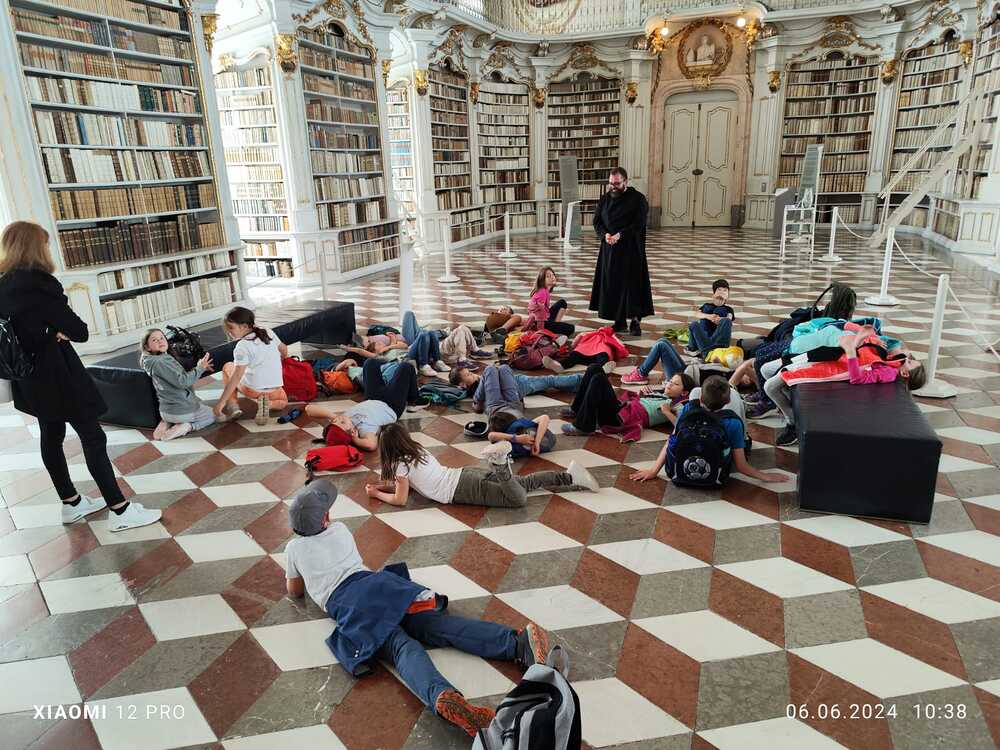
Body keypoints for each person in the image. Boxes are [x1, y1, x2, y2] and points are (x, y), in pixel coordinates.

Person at [283, 479, 554, 736]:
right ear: (326, 519)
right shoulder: (340, 530)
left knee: (402, 648)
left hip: (350, 605)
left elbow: (294, 591)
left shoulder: (294, 549)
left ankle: (442, 696)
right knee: (436, 625)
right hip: (379, 587)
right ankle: (517, 643)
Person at [0, 221, 160, 531]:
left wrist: (47, 330)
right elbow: (80, 331)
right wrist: (54, 331)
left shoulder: (2, 285)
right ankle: (120, 510)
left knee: (51, 436)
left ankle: (71, 503)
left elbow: (19, 331)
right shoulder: (41, 285)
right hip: (59, 374)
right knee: (93, 436)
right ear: (37, 248)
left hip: (27, 376)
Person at [366, 423, 599, 508]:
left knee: (517, 499)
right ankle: (570, 477)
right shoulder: (416, 451)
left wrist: (376, 494)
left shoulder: (400, 466)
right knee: (524, 484)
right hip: (464, 475)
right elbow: (405, 486)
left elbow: (400, 499)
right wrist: (384, 486)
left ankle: (500, 463)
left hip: (461, 490)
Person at [763, 325, 926, 447]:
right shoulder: (890, 360)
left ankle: (792, 421)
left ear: (905, 373)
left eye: (910, 362)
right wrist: (863, 337)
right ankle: (785, 407)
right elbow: (864, 350)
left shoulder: (888, 373)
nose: (908, 358)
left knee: (770, 387)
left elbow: (857, 378)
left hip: (825, 366)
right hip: (827, 355)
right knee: (766, 370)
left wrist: (851, 351)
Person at [631, 376, 785, 484]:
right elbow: (741, 466)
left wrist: (653, 471)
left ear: (701, 399)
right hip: (716, 475)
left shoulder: (688, 410)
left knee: (695, 391)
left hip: (678, 473)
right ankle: (744, 437)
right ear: (728, 401)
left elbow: (671, 440)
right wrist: (765, 476)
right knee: (735, 395)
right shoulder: (732, 422)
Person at [589, 167, 653, 337]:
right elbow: (597, 221)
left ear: (626, 182)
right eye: (611, 183)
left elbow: (639, 223)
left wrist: (620, 235)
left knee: (633, 286)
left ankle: (635, 321)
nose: (613, 187)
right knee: (613, 285)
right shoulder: (605, 198)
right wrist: (605, 235)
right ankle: (619, 320)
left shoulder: (638, 199)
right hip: (610, 250)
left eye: (617, 183)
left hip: (632, 250)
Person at [561, 364, 694, 440]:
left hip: (619, 419)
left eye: (676, 384)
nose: (669, 384)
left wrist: (667, 412)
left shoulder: (676, 405)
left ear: (684, 393)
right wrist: (643, 395)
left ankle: (583, 427)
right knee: (594, 368)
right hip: (621, 409)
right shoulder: (661, 394)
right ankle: (576, 409)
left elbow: (682, 427)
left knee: (599, 379)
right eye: (670, 381)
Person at [215, 306, 289, 426]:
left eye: (231, 328)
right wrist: (280, 360)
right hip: (274, 389)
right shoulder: (267, 331)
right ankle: (269, 404)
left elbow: (236, 377)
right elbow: (284, 350)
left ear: (244, 326)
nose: (229, 332)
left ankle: (233, 405)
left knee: (228, 367)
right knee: (283, 401)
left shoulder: (242, 346)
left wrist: (220, 403)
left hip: (252, 390)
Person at [140, 328, 217, 441]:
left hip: (165, 410)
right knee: (213, 414)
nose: (160, 341)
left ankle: (167, 421)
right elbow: (183, 382)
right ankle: (186, 426)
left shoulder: (150, 361)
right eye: (155, 340)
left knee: (195, 408)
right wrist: (200, 368)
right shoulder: (160, 362)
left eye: (161, 338)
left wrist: (200, 368)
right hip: (182, 411)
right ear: (147, 347)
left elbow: (175, 376)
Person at [451, 363, 584, 416]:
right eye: (468, 375)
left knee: (548, 383)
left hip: (514, 387)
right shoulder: (476, 389)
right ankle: (581, 379)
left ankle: (577, 385)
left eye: (470, 372)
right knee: (549, 380)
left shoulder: (476, 387)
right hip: (517, 385)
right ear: (462, 384)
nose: (472, 374)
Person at [401, 311, 491, 366]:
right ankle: (462, 359)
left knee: (463, 327)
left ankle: (475, 349)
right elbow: (404, 348)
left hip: (429, 339)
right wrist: (394, 342)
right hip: (437, 349)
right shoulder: (413, 345)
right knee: (459, 331)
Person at [542, 326, 628, 373]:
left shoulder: (590, 333)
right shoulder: (612, 337)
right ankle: (602, 367)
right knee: (602, 356)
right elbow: (621, 346)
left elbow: (577, 339)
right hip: (597, 351)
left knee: (574, 356)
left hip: (585, 350)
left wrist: (573, 346)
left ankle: (560, 365)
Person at [687, 279, 735, 357]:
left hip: (718, 341)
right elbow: (697, 314)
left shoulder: (729, 309)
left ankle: (707, 351)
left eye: (725, 290)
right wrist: (709, 316)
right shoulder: (706, 305)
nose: (722, 292)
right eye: (719, 290)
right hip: (704, 337)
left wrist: (720, 320)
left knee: (725, 319)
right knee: (694, 324)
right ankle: (705, 351)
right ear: (714, 293)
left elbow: (729, 318)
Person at [525, 267, 574, 337]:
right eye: (548, 276)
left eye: (553, 275)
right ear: (542, 280)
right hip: (541, 322)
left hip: (546, 317)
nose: (552, 277)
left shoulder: (545, 290)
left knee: (562, 302)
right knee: (571, 328)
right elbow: (538, 315)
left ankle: (555, 325)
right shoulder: (542, 293)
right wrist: (541, 331)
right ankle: (553, 331)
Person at [621, 337, 688, 385]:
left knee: (661, 345)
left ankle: (640, 374)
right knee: (663, 340)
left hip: (681, 379)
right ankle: (641, 373)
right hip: (687, 371)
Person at [487, 412, 555, 458]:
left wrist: (516, 438)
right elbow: (545, 417)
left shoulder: (508, 444)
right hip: (550, 439)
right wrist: (537, 442)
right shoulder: (524, 424)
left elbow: (491, 436)